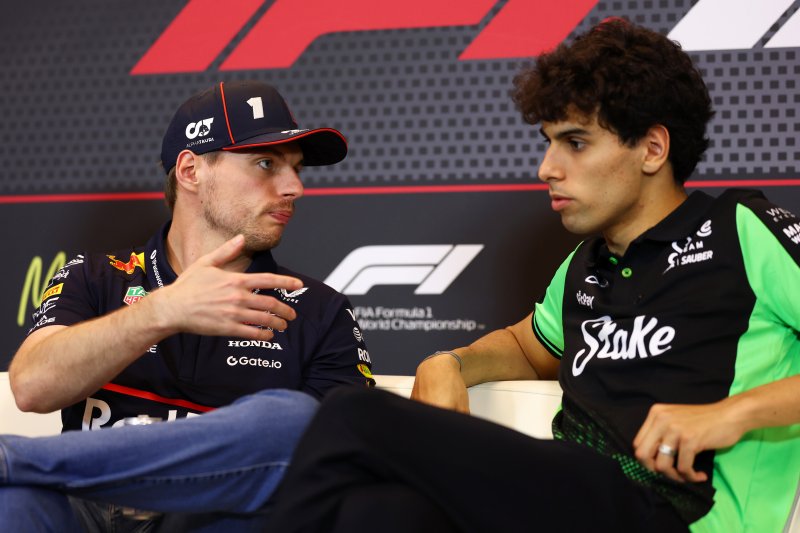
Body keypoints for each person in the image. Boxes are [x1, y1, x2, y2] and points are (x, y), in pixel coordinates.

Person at [260, 19, 800, 533]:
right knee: (383, 514)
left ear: (652, 149)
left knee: (352, 414)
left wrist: (731, 414)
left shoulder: (742, 230)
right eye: (549, 142)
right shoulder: (587, 262)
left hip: (677, 511)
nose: (547, 168)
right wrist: (449, 362)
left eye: (576, 143)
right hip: (573, 499)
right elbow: (524, 346)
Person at [1, 80, 374, 531]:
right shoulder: (96, 275)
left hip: (213, 517)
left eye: (296, 169)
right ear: (191, 170)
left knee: (298, 422)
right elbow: (31, 387)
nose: (294, 187)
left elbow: (341, 460)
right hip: (87, 509)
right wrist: (161, 311)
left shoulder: (319, 310)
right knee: (14, 504)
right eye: (266, 163)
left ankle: (14, 459)